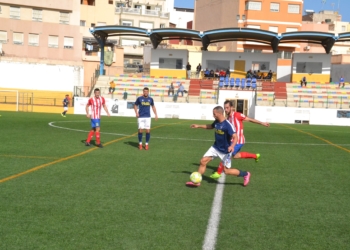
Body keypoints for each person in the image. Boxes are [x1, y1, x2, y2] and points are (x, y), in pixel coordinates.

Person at [186, 106, 251, 187]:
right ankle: (197, 181)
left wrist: (232, 146)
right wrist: (198, 126)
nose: (213, 115)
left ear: (219, 113)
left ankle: (245, 174)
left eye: (214, 114)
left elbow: (235, 137)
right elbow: (211, 126)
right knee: (203, 161)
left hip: (225, 151)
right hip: (215, 147)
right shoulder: (217, 121)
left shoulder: (228, 125)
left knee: (226, 171)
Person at [210, 100, 270, 180]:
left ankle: (218, 172)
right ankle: (255, 156)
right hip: (232, 141)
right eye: (225, 108)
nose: (226, 110)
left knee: (226, 155)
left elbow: (249, 119)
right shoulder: (228, 118)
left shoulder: (237, 115)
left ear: (232, 107)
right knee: (235, 155)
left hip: (239, 141)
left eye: (227, 108)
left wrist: (262, 123)